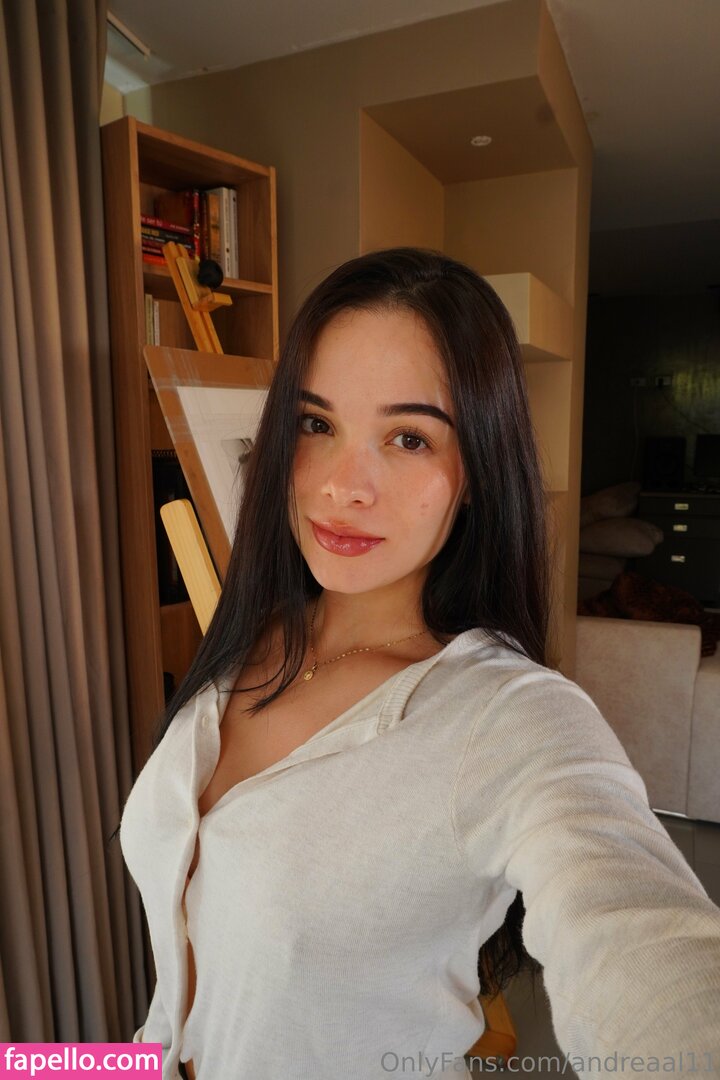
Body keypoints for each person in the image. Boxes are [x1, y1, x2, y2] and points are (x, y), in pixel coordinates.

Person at [119, 248, 720, 1080]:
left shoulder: (506, 717)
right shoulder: (251, 633)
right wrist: (48, 1066)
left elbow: (644, 945)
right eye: (316, 424)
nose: (343, 486)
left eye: (408, 438)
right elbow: (176, 1018)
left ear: (476, 473)